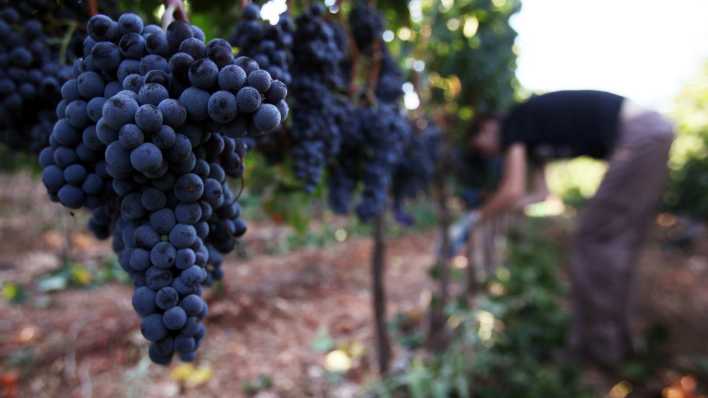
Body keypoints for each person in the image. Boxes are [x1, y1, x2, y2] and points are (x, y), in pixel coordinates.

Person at [467, 90, 675, 367]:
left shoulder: (513, 121)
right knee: (620, 244)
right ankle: (619, 344)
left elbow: (512, 191)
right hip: (650, 132)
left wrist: (475, 219)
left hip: (639, 135)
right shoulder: (531, 139)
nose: (488, 152)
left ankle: (597, 354)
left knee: (592, 240)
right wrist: (503, 209)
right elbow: (540, 195)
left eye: (480, 145)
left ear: (486, 126)